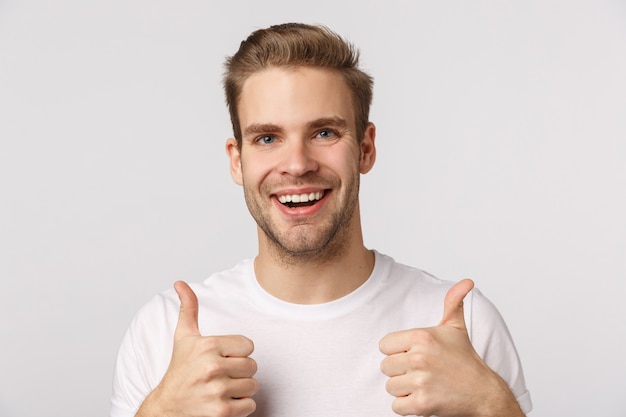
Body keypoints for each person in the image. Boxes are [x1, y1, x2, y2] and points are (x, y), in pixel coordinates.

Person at [109, 23, 532, 417]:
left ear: (365, 149)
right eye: (268, 138)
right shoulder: (164, 332)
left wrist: (494, 405)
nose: (296, 164)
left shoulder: (460, 324)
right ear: (237, 161)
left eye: (324, 133)